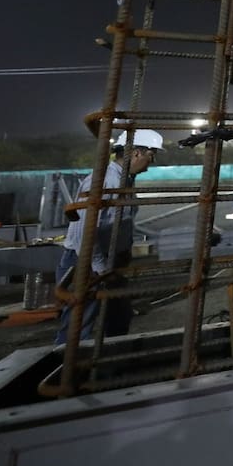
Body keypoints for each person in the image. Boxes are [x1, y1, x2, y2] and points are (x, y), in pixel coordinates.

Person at [55, 128, 164, 344]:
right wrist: (101, 268)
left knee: (119, 318)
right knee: (78, 324)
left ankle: (109, 365)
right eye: (151, 156)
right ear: (136, 153)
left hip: (109, 261)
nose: (151, 162)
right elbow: (82, 235)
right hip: (88, 263)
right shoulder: (104, 182)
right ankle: (68, 372)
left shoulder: (125, 181)